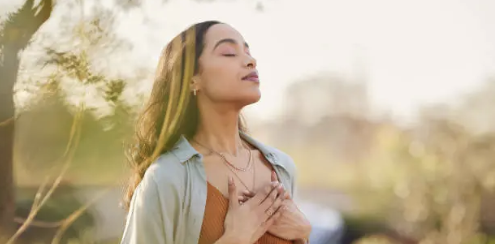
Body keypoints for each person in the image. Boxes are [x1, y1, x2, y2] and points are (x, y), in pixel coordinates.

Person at [121, 20, 311, 244]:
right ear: (193, 79)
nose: (251, 61)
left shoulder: (282, 167)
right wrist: (235, 238)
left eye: (248, 51)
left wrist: (304, 233)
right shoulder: (167, 178)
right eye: (229, 53)